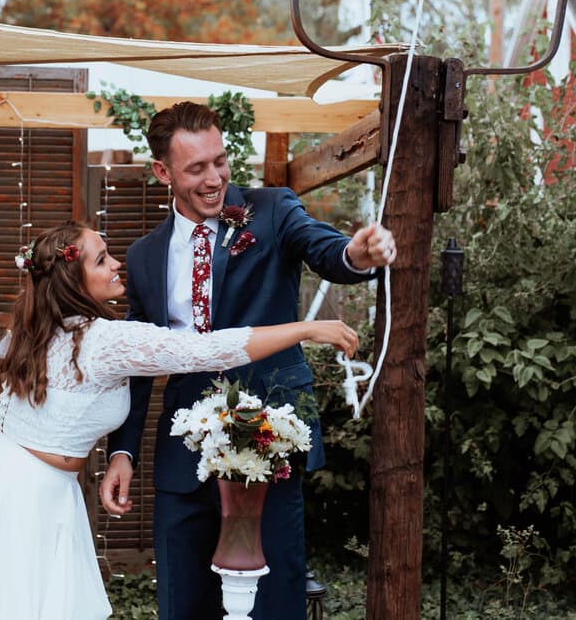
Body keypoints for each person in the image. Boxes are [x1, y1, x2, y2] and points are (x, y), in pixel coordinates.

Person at [0, 219, 358, 620]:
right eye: (102, 259)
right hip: (19, 496)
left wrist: (120, 456)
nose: (116, 264)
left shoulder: (35, 328)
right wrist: (304, 329)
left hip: (14, 482)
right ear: (74, 278)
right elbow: (207, 350)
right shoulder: (104, 340)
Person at [100, 101, 397, 620]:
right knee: (182, 602)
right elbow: (138, 363)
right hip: (182, 454)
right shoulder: (145, 255)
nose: (214, 177)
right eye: (196, 168)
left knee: (272, 602)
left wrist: (357, 254)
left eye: (220, 161)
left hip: (268, 441)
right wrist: (121, 453)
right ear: (162, 172)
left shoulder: (274, 209)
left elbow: (326, 249)